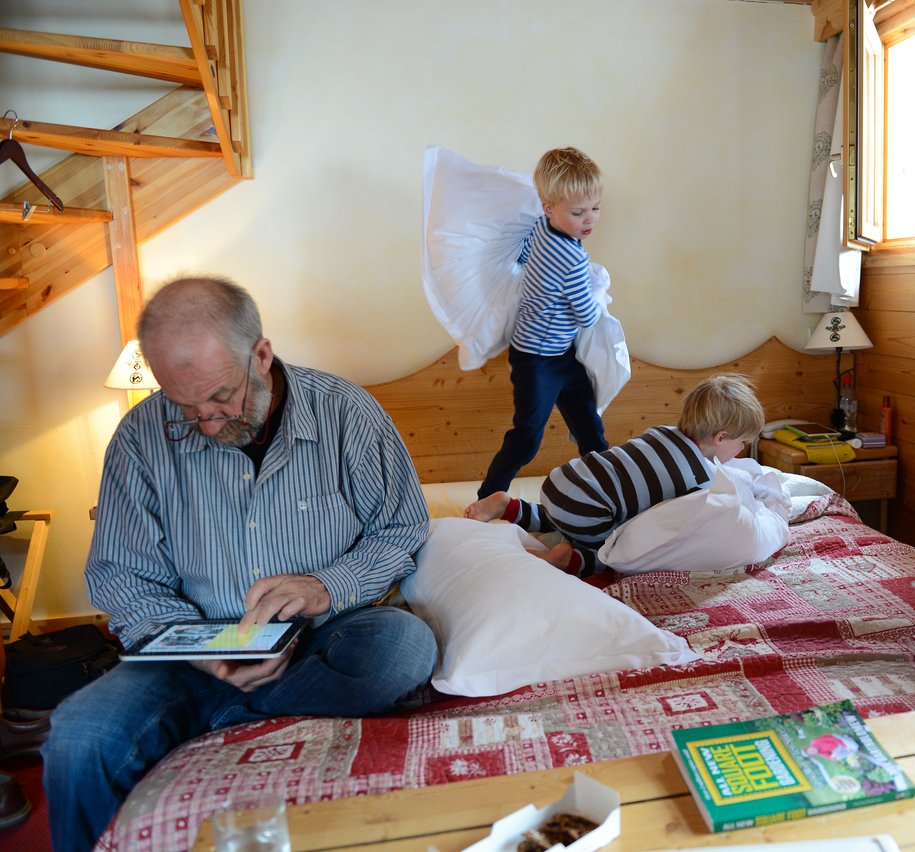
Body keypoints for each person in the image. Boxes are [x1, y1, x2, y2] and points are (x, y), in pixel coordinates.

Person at [43, 277, 437, 851]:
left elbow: (402, 528)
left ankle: (219, 718)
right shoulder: (138, 439)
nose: (206, 422)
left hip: (324, 636)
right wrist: (203, 655)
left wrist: (326, 587)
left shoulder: (347, 414)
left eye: (221, 397)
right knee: (78, 737)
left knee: (405, 645)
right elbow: (123, 577)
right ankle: (237, 708)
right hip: (191, 652)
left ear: (261, 354)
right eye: (184, 407)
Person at [467, 373, 766, 575]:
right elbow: (667, 521)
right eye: (742, 444)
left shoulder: (662, 431)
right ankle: (565, 558)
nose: (741, 451)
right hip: (590, 507)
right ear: (721, 437)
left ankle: (508, 505)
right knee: (614, 553)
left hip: (564, 480)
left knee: (557, 514)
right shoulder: (700, 478)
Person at [477, 147, 610, 498]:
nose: (589, 220)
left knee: (589, 426)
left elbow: (522, 256)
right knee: (527, 437)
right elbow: (586, 315)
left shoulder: (540, 228)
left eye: (595, 208)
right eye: (578, 212)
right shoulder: (572, 258)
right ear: (548, 207)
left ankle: (610, 490)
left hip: (559, 355)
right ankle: (489, 496)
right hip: (537, 361)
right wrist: (598, 294)